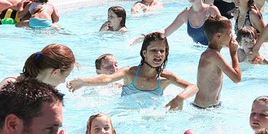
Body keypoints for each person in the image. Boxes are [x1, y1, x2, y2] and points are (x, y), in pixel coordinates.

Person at [0, 43, 76, 134]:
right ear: (56, 72)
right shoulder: (11, 86)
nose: (63, 81)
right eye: (65, 75)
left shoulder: (45, 92)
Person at [69, 32, 197, 109]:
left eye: (162, 51)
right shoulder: (130, 73)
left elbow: (193, 86)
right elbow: (107, 78)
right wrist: (84, 82)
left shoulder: (166, 78)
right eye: (153, 50)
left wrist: (180, 97)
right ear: (144, 53)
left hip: (153, 119)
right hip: (126, 115)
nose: (158, 54)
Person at [145, 0, 220, 46]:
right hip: (197, 51)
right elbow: (166, 32)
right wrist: (146, 36)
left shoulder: (211, 10)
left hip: (213, 51)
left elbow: (225, 32)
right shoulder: (185, 14)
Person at [192, 16, 242, 109]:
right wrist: (233, 52)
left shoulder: (213, 54)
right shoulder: (212, 55)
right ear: (218, 36)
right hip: (202, 109)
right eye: (229, 33)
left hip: (212, 107)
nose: (232, 36)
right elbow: (237, 78)